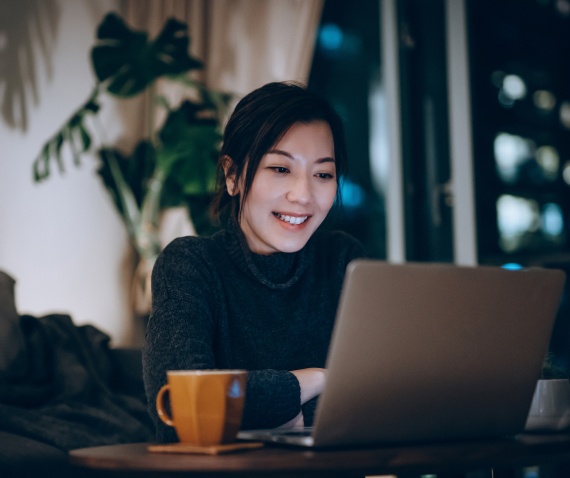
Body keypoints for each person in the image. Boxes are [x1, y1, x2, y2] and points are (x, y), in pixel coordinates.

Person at [142, 81, 366, 443]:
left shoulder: (342, 261)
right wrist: (319, 379)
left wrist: (268, 414)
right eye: (280, 169)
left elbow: (374, 404)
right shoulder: (190, 265)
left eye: (323, 174)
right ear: (232, 175)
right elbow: (182, 411)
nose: (303, 195)